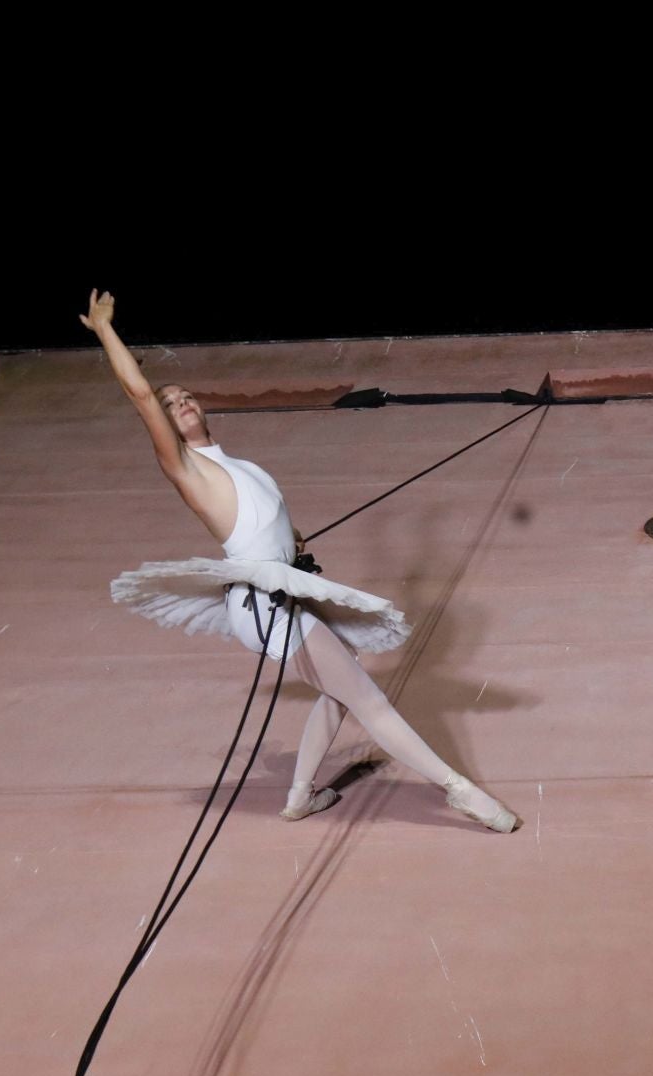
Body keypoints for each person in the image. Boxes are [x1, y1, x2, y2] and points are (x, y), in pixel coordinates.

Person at [84, 290, 519, 832]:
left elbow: (272, 525)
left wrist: (294, 541)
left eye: (187, 396)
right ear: (166, 426)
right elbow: (140, 395)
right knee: (367, 699)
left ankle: (299, 796)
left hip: (279, 589)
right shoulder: (187, 469)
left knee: (340, 690)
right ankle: (459, 790)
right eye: (171, 404)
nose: (180, 404)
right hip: (265, 604)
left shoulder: (238, 464)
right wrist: (105, 331)